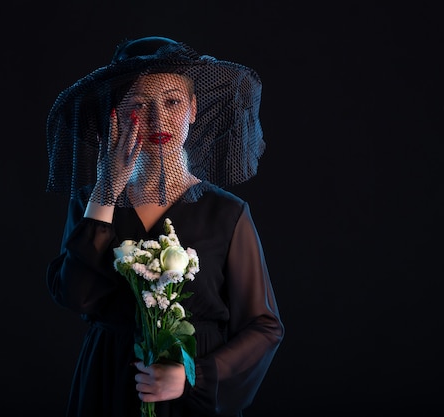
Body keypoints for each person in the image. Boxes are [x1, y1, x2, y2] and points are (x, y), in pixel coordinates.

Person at [45, 36, 284, 417]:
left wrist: (192, 375)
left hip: (189, 399)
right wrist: (108, 190)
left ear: (192, 109)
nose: (158, 119)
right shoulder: (94, 202)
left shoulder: (228, 213)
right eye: (139, 104)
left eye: (172, 102)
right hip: (107, 390)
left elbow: (264, 326)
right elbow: (77, 297)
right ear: (116, 115)